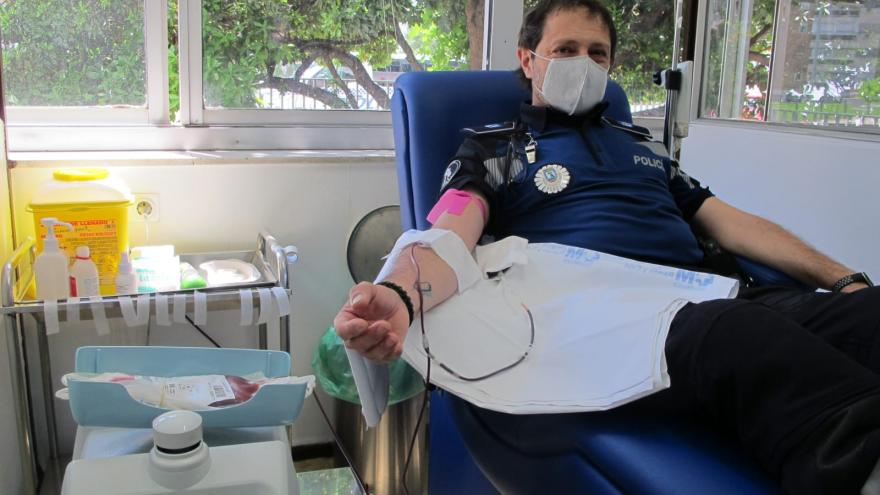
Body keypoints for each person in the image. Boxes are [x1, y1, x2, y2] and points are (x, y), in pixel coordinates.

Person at [334, 1, 880, 493]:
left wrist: (843, 278)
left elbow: (733, 224)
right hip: (605, 314)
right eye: (565, 49)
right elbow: (449, 234)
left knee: (867, 317)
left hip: (712, 291)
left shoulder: (645, 149)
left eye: (598, 54)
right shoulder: (495, 147)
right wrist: (401, 296)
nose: (584, 63)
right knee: (736, 332)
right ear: (527, 60)